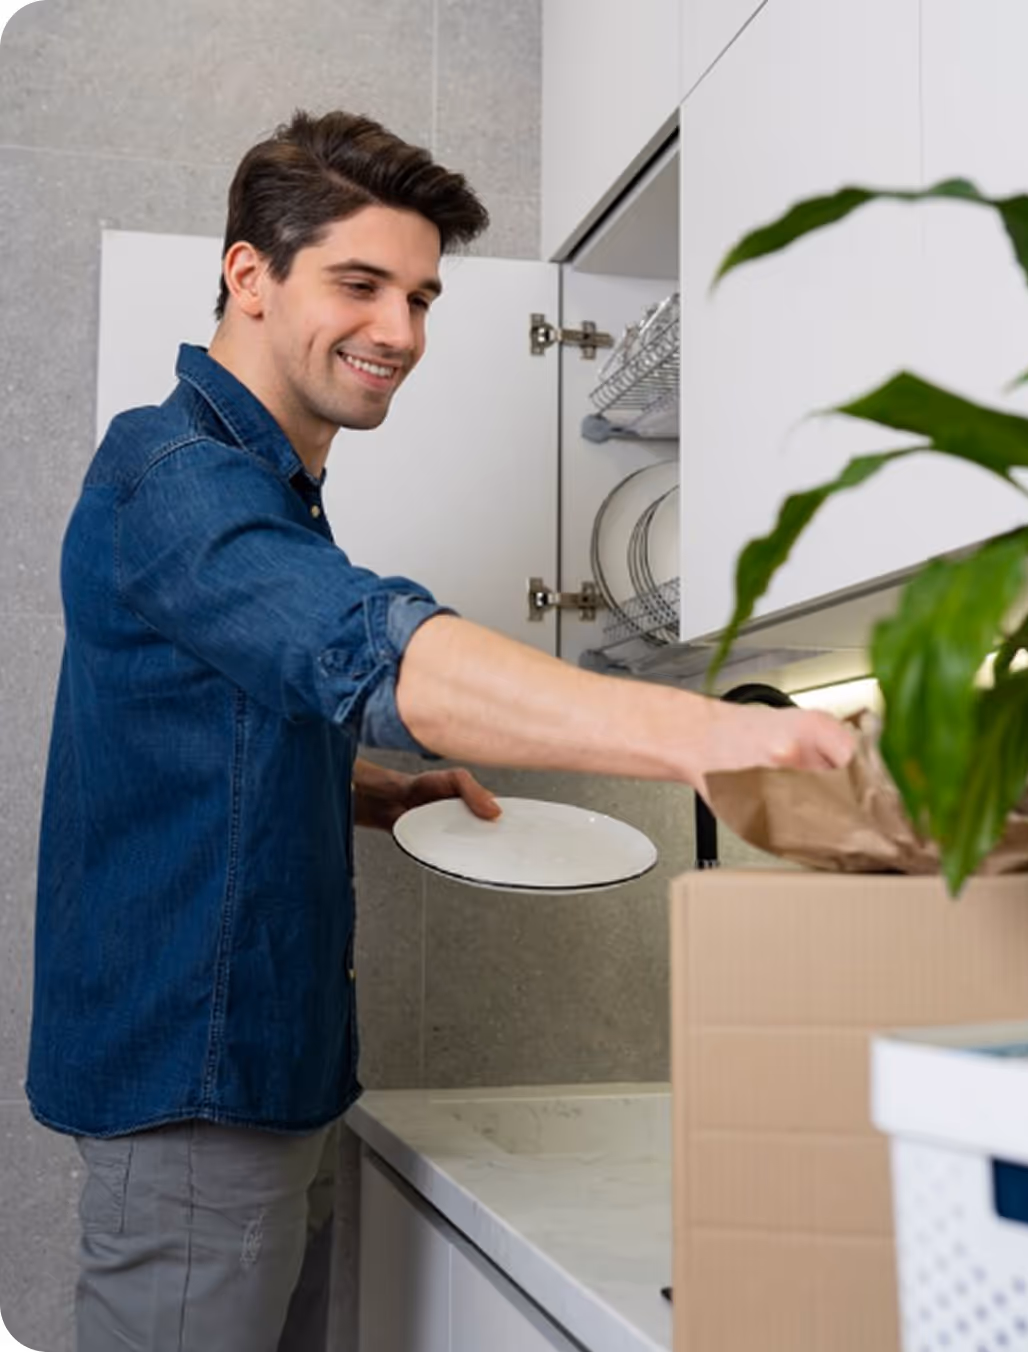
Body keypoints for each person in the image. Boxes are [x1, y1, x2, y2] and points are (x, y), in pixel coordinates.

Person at [26, 109, 855, 1352]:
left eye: (420, 295)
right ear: (248, 273)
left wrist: (362, 787)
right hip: (199, 1095)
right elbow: (380, 648)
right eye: (360, 285)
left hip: (255, 1078)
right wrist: (701, 735)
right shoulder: (179, 476)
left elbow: (207, 716)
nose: (401, 333)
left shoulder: (256, 488)